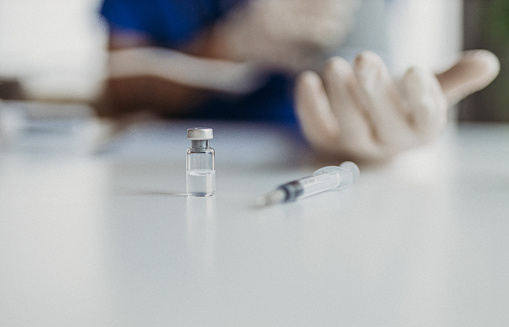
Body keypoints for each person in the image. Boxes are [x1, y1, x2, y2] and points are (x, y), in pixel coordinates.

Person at [97, 0, 500, 162]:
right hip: (167, 161)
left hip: (308, 161)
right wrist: (228, 47)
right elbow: (122, 89)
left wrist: (381, 117)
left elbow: (370, 63)